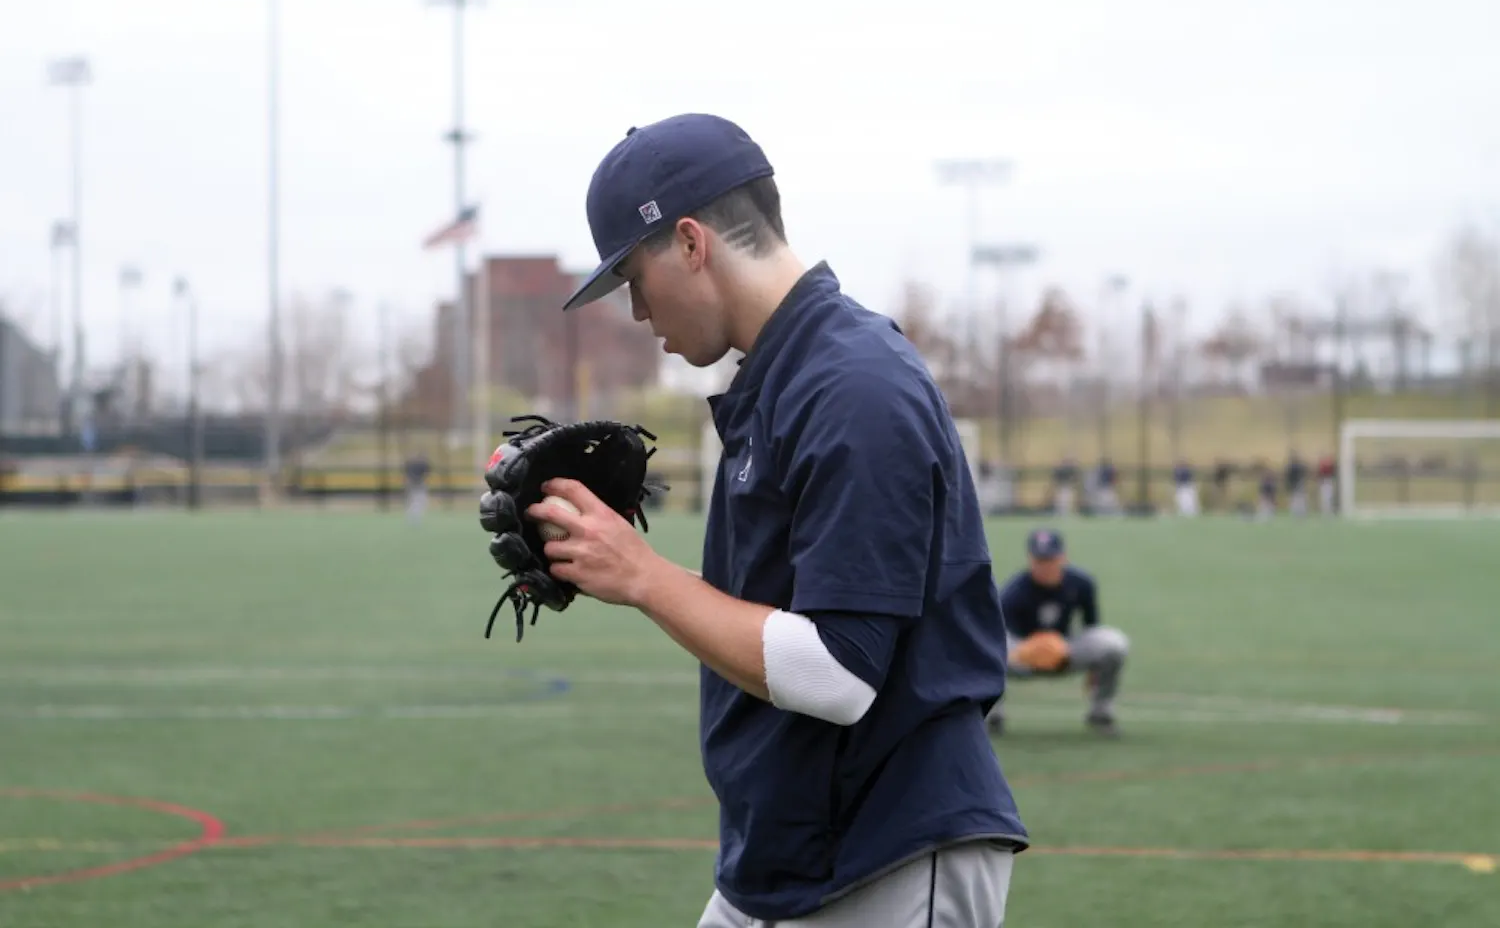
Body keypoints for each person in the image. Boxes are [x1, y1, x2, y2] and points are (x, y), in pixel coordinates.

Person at [526, 113, 1027, 927]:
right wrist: (608, 561)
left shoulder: (854, 385)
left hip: (885, 848)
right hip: (791, 851)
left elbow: (837, 671)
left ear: (691, 244)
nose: (639, 315)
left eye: (633, 280)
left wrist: (647, 578)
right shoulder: (787, 375)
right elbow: (783, 625)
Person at [984, 528, 1129, 738]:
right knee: (986, 648)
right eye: (1040, 560)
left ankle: (1101, 712)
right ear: (1030, 559)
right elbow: (1002, 635)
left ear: (1063, 557)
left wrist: (1089, 667)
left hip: (1065, 651)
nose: (1046, 566)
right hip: (1024, 654)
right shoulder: (1014, 591)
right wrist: (1032, 651)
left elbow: (1092, 628)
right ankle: (992, 716)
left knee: (1114, 643)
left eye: (1051, 559)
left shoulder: (1082, 584)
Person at [403, 451, 430, 524]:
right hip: (419, 483)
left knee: (411, 500)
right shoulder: (423, 464)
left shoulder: (410, 463)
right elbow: (426, 474)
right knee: (420, 500)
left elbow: (406, 473)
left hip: (411, 483)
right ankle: (415, 516)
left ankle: (411, 516)